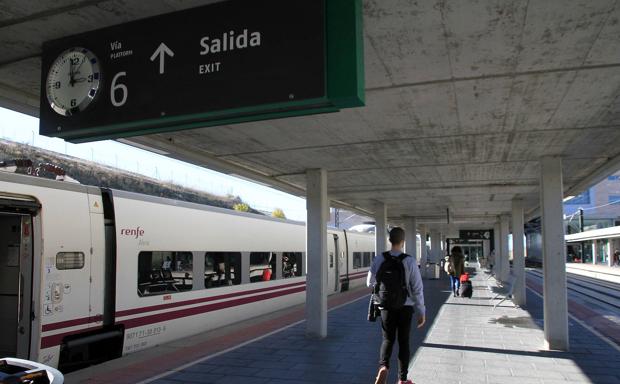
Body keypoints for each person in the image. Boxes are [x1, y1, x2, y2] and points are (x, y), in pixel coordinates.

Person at [367, 227, 426, 384]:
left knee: (387, 339)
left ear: (390, 240)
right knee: (404, 341)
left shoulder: (379, 259)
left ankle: (383, 367)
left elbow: (370, 283)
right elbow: (418, 288)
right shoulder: (409, 261)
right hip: (405, 307)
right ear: (402, 241)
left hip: (385, 306)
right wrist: (421, 311)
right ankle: (402, 379)